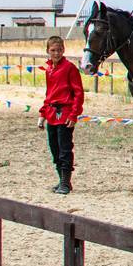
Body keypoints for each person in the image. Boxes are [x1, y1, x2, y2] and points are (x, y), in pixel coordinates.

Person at [40, 35, 83, 194]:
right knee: (55, 149)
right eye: (53, 50)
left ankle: (65, 182)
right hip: (51, 114)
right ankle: (62, 181)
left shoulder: (70, 68)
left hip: (65, 114)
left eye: (59, 50)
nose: (56, 53)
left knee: (65, 148)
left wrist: (73, 114)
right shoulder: (49, 69)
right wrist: (42, 114)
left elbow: (78, 93)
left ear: (63, 50)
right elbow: (49, 93)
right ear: (48, 51)